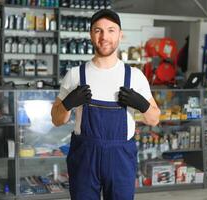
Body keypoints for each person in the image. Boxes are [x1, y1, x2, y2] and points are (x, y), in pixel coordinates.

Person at [51, 9, 160, 200]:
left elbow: (154, 119)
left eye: (111, 30)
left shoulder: (134, 76)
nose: (104, 37)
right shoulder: (75, 74)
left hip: (121, 157)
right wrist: (68, 103)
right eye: (98, 30)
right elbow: (57, 119)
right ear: (91, 35)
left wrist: (141, 104)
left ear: (120, 34)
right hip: (85, 155)